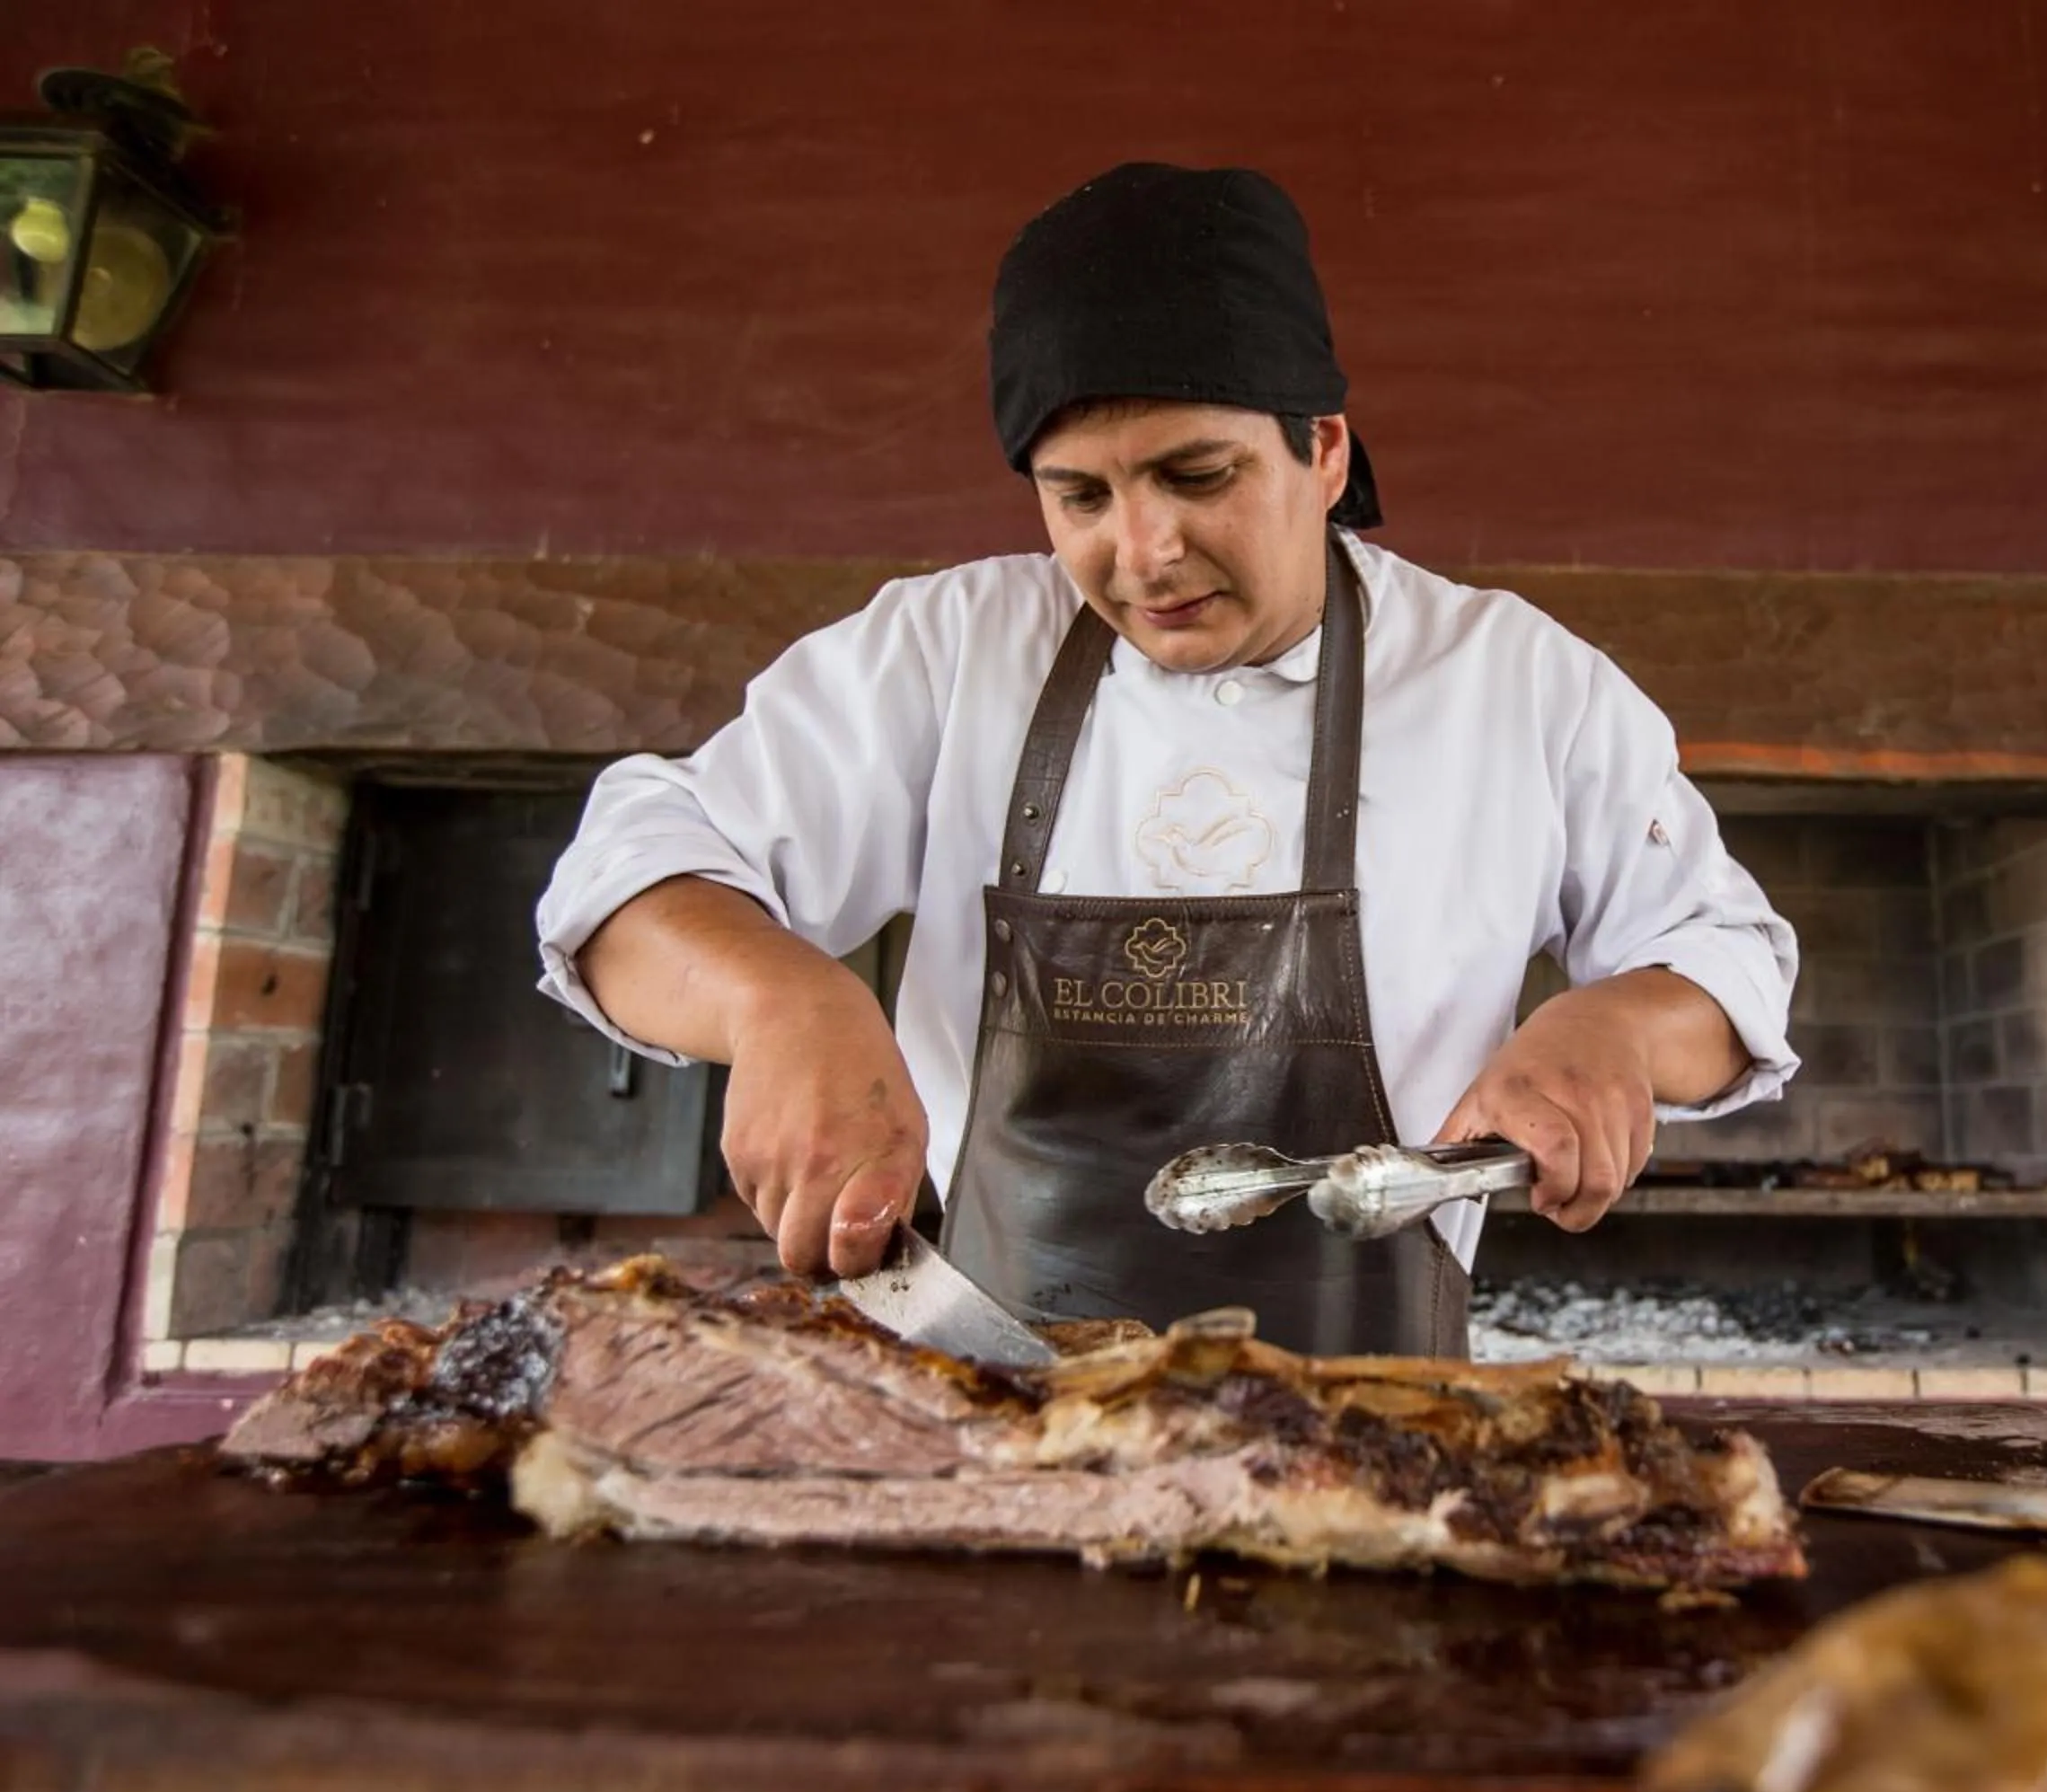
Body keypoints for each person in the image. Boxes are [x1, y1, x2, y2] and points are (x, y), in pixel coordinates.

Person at [534, 163, 1799, 1356]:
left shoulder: (1514, 682)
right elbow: (629, 871)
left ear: (1324, 450)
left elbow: (1724, 959)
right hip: (993, 1406)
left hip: (1378, 1428)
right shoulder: (946, 651)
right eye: (1080, 497)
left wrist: (1617, 1026)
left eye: (1197, 476)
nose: (1141, 554)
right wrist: (777, 1002)